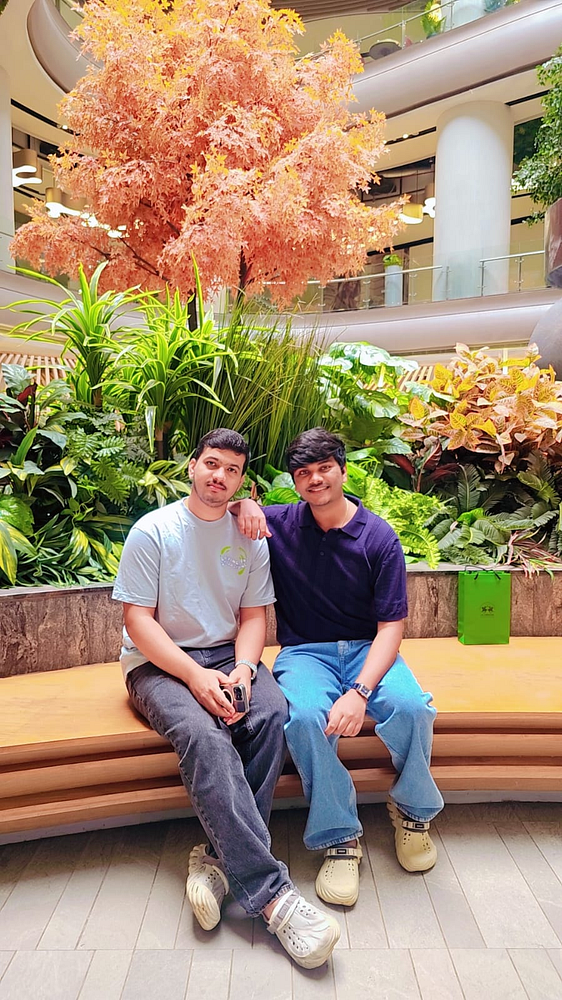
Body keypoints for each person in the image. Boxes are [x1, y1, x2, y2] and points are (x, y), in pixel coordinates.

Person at [112, 428, 340, 968]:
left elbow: (252, 617)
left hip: (227, 655)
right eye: (211, 464)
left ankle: (218, 859)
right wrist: (195, 676)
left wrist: (241, 668)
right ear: (193, 466)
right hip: (160, 664)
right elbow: (136, 621)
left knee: (271, 712)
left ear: (242, 479)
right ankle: (274, 897)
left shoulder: (248, 533)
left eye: (232, 470)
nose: (220, 477)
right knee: (204, 733)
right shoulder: (154, 531)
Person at [235, 428, 444, 907]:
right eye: (303, 473)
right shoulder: (281, 523)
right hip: (306, 652)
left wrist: (360, 692)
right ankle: (339, 835)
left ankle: (412, 811)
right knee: (304, 718)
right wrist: (244, 505)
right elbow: (222, 507)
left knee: (412, 707)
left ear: (343, 470)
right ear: (294, 481)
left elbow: (392, 627)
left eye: (324, 468)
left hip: (370, 648)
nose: (315, 479)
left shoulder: (378, 536)